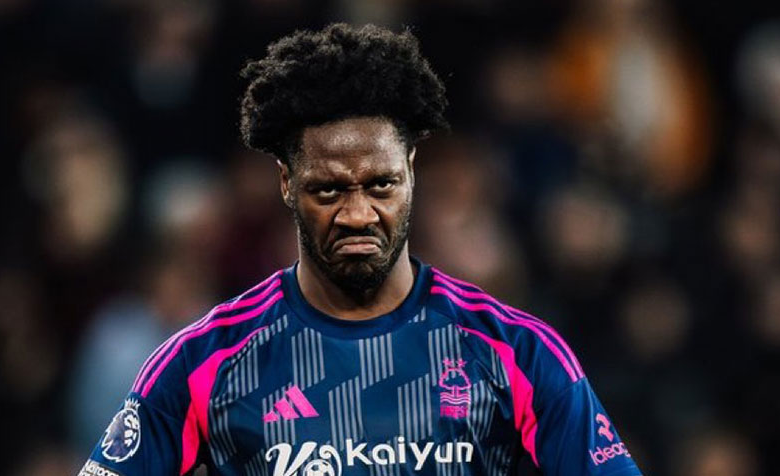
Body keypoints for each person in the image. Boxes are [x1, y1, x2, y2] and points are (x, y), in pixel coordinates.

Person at [79, 23, 642, 476]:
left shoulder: (516, 354)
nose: (358, 214)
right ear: (286, 183)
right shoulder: (206, 362)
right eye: (328, 190)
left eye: (381, 185)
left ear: (412, 171)